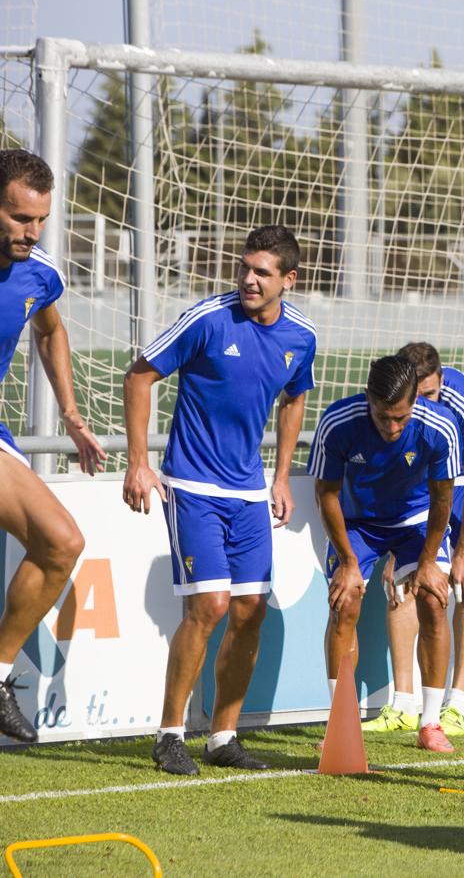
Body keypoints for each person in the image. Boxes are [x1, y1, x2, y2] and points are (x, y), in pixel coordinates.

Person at [123, 225, 316, 775]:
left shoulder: (301, 335)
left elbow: (294, 398)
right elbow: (139, 377)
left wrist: (280, 477)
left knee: (252, 610)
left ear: (289, 279)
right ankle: (169, 735)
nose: (248, 279)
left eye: (262, 272)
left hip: (249, 491)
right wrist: (139, 461)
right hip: (192, 485)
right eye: (245, 267)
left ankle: (223, 737)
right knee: (209, 606)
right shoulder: (208, 318)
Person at [0, 149, 107, 743]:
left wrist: (70, 413)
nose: (32, 232)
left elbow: (52, 329)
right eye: (19, 218)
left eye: (40, 219)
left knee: (63, 542)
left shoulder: (38, 273)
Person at [309, 355, 464, 753]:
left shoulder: (439, 427)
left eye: (400, 417)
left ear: (415, 402)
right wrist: (347, 562)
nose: (392, 427)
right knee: (344, 603)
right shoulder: (337, 422)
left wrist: (428, 563)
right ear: (368, 400)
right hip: (358, 524)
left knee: (433, 599)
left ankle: (430, 723)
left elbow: (442, 500)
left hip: (415, 522)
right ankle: (339, 724)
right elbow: (326, 493)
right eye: (383, 417)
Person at [360, 342, 464, 739]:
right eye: (415, 399)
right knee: (403, 583)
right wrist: (398, 543)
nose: (423, 406)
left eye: (430, 396)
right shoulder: (399, 413)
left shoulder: (463, 405)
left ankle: (457, 703)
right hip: (426, 481)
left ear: (440, 382)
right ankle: (403, 703)